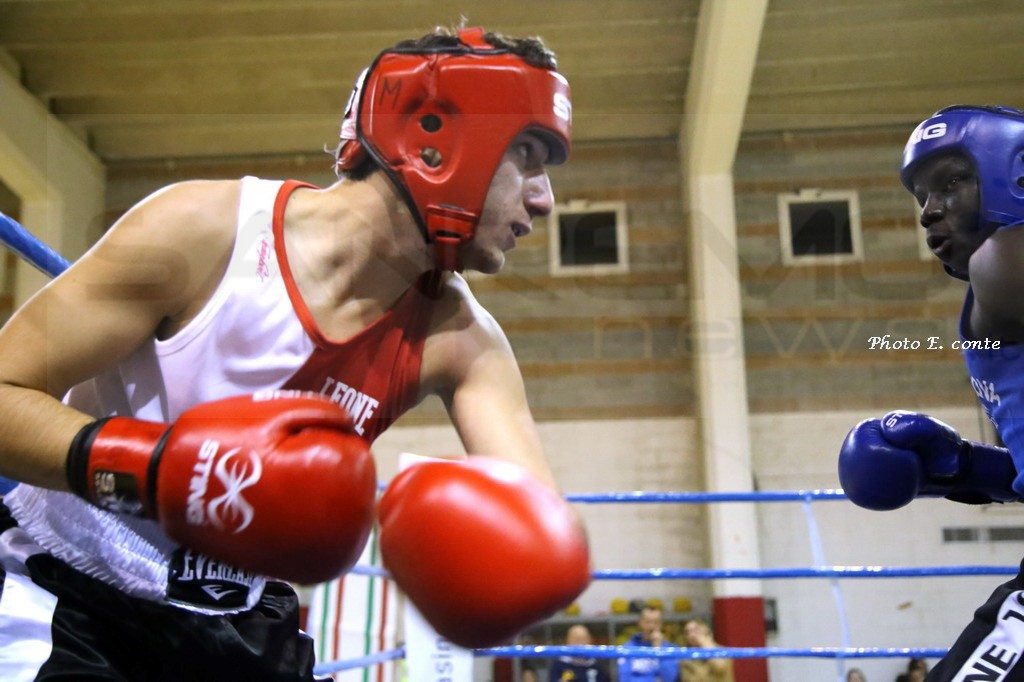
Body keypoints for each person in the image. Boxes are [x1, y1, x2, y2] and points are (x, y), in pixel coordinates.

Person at [0, 25, 590, 680]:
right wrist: (158, 470)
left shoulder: (464, 341)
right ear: (435, 139)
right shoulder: (203, 232)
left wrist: (467, 555)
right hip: (71, 591)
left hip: (245, 626)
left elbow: (541, 535)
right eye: (528, 156)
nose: (544, 199)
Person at [838, 105, 1024, 680]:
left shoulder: (1002, 261)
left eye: (952, 181)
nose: (928, 211)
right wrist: (964, 467)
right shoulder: (993, 296)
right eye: (921, 196)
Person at [617, 605, 678, 682]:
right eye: (648, 622)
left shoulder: (670, 649)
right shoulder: (627, 648)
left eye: (656, 622)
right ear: (640, 622)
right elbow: (624, 678)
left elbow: (669, 679)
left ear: (661, 624)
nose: (652, 626)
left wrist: (659, 650)